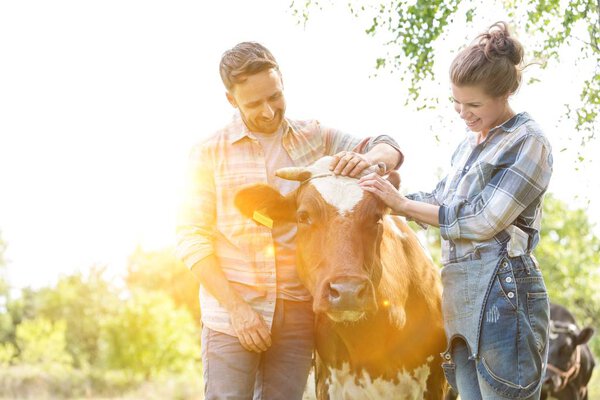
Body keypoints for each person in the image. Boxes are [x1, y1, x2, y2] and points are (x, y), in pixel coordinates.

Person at [176, 41, 403, 400]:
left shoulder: (314, 137)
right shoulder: (206, 154)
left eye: (275, 96)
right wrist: (237, 310)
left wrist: (370, 159)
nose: (269, 111)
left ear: (282, 83)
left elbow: (387, 144)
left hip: (298, 309)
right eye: (253, 103)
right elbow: (192, 240)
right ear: (231, 100)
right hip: (233, 314)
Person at [359, 22, 553, 399]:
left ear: (506, 93)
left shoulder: (529, 142)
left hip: (505, 293)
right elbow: (441, 201)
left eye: (474, 104)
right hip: (460, 290)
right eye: (456, 102)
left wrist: (400, 203)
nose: (463, 113)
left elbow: (483, 219)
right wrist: (379, 199)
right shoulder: (467, 145)